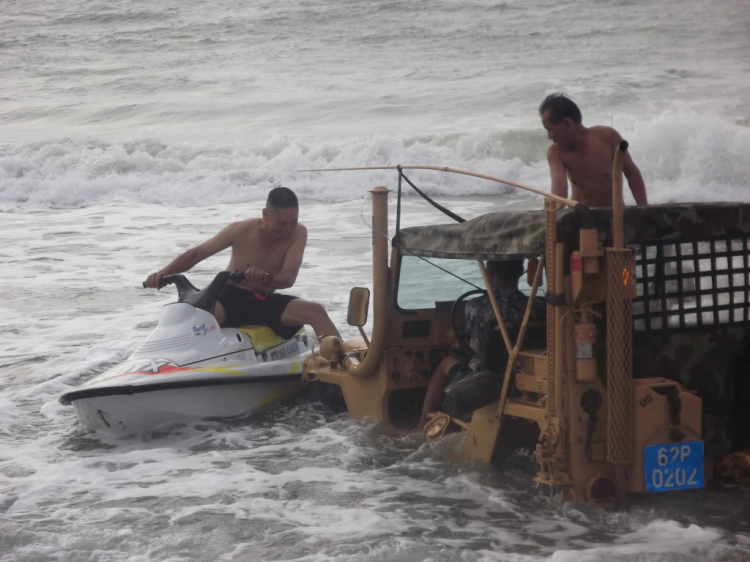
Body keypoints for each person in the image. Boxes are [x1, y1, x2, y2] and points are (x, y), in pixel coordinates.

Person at [143, 187, 341, 340]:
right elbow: (196, 254)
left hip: (263, 300)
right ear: (265, 215)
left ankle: (341, 368)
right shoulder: (240, 231)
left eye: (293, 221)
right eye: (282, 223)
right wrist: (162, 274)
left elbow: (288, 279)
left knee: (316, 311)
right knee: (202, 324)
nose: (288, 229)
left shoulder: (299, 232)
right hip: (230, 296)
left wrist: (265, 278)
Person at [418, 260, 545, 428]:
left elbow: (475, 348)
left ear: (490, 273)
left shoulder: (475, 307)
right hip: (526, 379)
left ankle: (421, 426)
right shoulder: (539, 307)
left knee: (446, 362)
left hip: (486, 382)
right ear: (521, 270)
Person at [539, 93, 648, 207]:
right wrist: (553, 207)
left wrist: (644, 208)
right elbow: (559, 193)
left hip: (614, 216)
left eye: (550, 130)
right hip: (582, 218)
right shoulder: (555, 153)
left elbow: (632, 173)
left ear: (567, 123)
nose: (549, 137)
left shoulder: (607, 137)